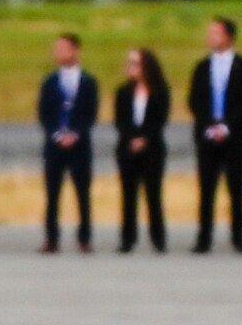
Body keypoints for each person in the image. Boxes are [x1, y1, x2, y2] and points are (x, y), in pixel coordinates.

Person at [189, 16, 242, 253]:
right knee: (206, 188)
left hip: (235, 136)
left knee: (236, 188)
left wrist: (227, 126)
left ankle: (239, 235)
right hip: (208, 135)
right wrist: (210, 126)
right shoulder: (202, 67)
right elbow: (195, 99)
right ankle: (204, 237)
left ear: (229, 37)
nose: (211, 38)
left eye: (216, 33)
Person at [37, 33, 100, 254]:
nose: (58, 53)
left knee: (82, 192)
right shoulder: (49, 82)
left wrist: (76, 134)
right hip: (54, 146)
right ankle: (51, 238)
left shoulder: (88, 82)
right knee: (52, 193)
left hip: (79, 146)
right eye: (57, 49)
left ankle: (84, 238)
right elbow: (44, 113)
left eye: (63, 48)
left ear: (75, 51)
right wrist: (56, 134)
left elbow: (90, 114)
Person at [111, 51, 172, 254]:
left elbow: (160, 120)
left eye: (135, 63)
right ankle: (127, 239)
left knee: (153, 194)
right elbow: (120, 120)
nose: (131, 67)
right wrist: (132, 138)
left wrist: (144, 138)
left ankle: (158, 238)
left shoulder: (160, 91)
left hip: (152, 149)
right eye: (129, 63)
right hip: (127, 148)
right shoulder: (123, 92)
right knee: (128, 195)